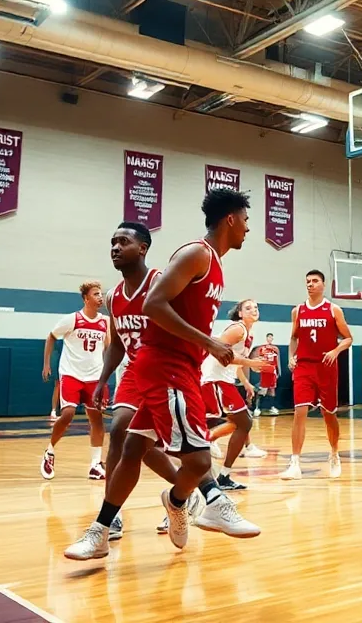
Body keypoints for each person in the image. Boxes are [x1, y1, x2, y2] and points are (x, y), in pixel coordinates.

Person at [65, 187, 259, 561]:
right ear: (231, 219)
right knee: (198, 460)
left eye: (123, 241)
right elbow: (154, 306)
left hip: (175, 365)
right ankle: (191, 501)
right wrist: (211, 342)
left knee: (134, 446)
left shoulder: (213, 263)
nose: (248, 229)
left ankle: (101, 531)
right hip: (164, 366)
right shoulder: (195, 254)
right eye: (246, 221)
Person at [91, 222, 200, 542]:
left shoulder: (161, 283)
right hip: (135, 372)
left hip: (167, 371)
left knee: (141, 442)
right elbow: (117, 344)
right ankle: (113, 515)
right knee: (120, 432)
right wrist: (102, 380)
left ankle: (189, 492)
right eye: (112, 242)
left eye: (123, 241)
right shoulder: (112, 297)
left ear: (143, 248)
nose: (115, 247)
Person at [280, 270, 353, 480]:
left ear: (323, 284)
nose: (310, 285)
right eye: (308, 282)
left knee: (329, 414)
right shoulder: (298, 311)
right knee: (299, 411)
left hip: (326, 366)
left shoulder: (333, 309)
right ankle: (294, 463)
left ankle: (334, 453)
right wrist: (291, 357)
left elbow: (348, 338)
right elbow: (293, 338)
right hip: (304, 366)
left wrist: (335, 351)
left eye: (314, 281)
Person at [38, 281, 110, 481]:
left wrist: (106, 375)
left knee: (96, 419)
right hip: (71, 373)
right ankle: (50, 451)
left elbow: (109, 348)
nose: (100, 297)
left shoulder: (105, 322)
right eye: (96, 294)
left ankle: (95, 464)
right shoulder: (72, 319)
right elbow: (51, 336)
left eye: (100, 294)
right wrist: (47, 364)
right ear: (86, 299)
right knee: (68, 413)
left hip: (94, 376)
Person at [202, 299, 270, 490]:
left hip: (224, 380)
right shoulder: (238, 329)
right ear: (240, 313)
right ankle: (208, 442)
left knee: (240, 422)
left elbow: (235, 360)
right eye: (248, 308)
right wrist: (251, 363)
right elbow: (219, 351)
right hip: (214, 380)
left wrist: (246, 382)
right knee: (244, 422)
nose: (254, 310)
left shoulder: (249, 333)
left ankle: (211, 449)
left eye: (256, 307)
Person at [251, 333, 281, 416]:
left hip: (273, 371)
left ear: (273, 338)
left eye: (271, 337)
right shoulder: (262, 348)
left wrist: (278, 371)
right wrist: (258, 368)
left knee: (272, 390)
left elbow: (277, 361)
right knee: (262, 390)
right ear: (266, 338)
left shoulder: (275, 349)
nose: (270, 338)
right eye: (269, 337)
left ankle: (272, 407)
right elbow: (258, 359)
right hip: (264, 371)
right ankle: (257, 408)